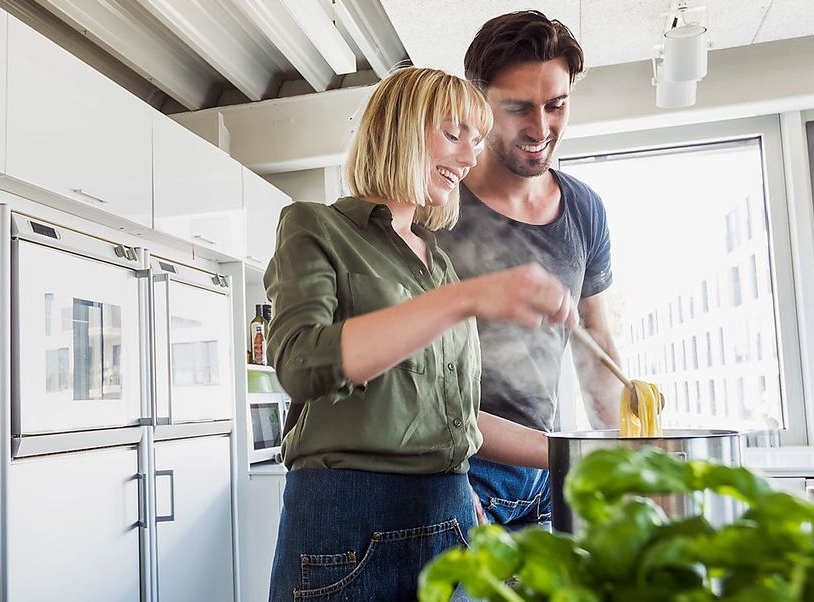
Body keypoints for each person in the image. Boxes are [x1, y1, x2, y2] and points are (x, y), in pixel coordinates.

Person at [264, 66, 577, 601]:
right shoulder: (315, 226)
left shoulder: (440, 268)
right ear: (397, 130)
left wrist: (581, 453)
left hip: (450, 517)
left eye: (475, 142)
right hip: (349, 523)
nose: (469, 156)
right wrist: (462, 301)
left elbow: (457, 416)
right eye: (454, 134)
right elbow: (301, 365)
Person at [433, 10, 623, 530]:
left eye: (556, 105)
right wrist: (445, 474)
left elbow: (595, 344)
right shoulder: (436, 206)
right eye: (518, 109)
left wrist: (625, 452)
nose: (541, 128)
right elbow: (409, 379)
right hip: (460, 475)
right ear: (478, 104)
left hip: (547, 472)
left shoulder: (585, 210)